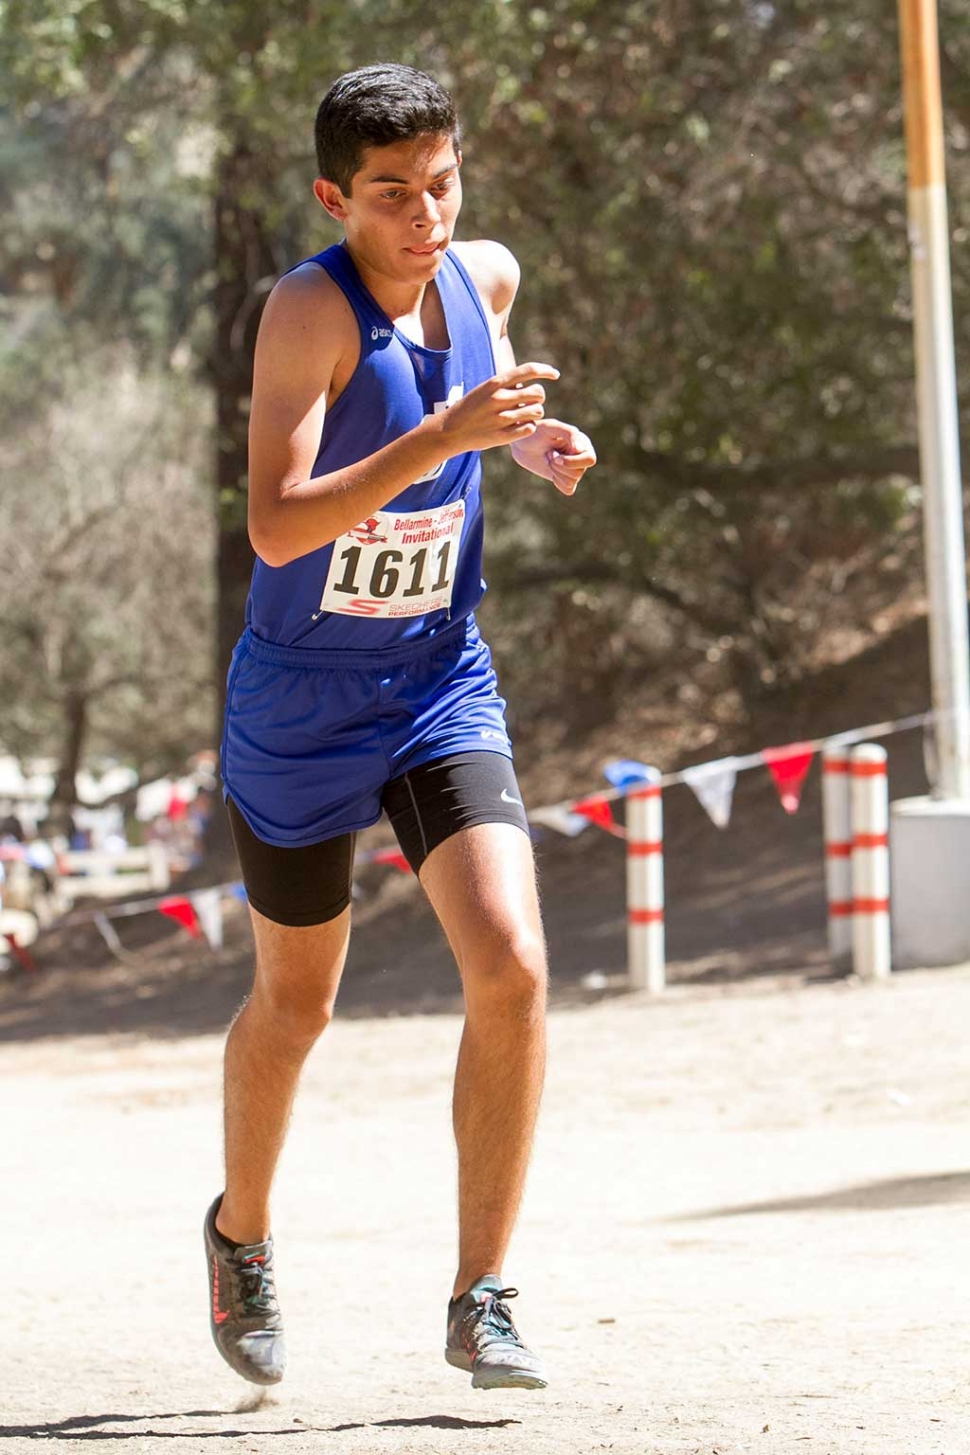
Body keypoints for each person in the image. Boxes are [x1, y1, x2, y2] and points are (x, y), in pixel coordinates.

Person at [206, 62, 596, 1392]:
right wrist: (440, 436)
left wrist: (534, 450)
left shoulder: (484, 278)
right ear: (334, 196)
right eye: (391, 195)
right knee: (295, 1005)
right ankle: (241, 1234)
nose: (425, 214)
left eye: (441, 183)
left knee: (513, 965)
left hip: (435, 678)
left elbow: (488, 425)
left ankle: (480, 1292)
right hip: (302, 702)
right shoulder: (305, 315)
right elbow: (278, 522)